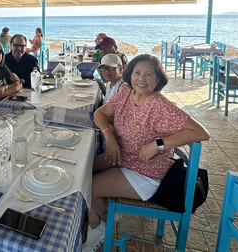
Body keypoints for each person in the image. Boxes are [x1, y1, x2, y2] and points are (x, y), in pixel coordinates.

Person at [86, 54, 209, 242]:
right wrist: (109, 136)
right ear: (130, 75)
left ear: (158, 79)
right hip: (124, 157)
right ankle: (102, 211)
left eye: (148, 74)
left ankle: (99, 222)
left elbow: (201, 132)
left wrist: (158, 144)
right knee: (83, 170)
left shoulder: (159, 105)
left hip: (146, 172)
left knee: (89, 186)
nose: (141, 79)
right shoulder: (127, 94)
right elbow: (100, 114)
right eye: (137, 73)